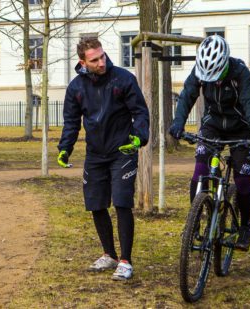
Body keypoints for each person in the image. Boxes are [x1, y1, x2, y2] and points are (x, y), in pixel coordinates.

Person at [57, 37, 149, 280]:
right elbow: (71, 122)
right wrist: (65, 148)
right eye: (95, 59)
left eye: (103, 56)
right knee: (96, 204)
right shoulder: (76, 88)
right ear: (83, 62)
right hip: (95, 154)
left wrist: (140, 137)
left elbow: (139, 111)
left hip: (123, 150)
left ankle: (126, 261)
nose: (101, 62)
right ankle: (109, 254)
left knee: (121, 202)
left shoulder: (123, 79)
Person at [169, 35, 250, 251]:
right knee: (200, 170)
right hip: (212, 125)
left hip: (241, 128)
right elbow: (186, 96)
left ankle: (245, 225)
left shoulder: (240, 72)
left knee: (242, 180)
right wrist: (178, 123)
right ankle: (194, 218)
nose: (211, 79)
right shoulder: (199, 71)